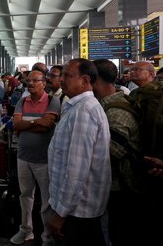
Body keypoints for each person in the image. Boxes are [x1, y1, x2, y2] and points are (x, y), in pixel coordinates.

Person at [46, 58, 111, 246]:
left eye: (67, 75)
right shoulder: (76, 107)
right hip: (74, 208)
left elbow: (77, 169)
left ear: (84, 80)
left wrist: (61, 213)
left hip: (78, 211)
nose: (62, 79)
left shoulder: (84, 111)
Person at [92, 59, 141, 246]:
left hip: (120, 187)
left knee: (114, 233)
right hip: (113, 185)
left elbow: (113, 152)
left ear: (95, 80)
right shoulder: (106, 105)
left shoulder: (116, 112)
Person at [10, 71, 60, 246]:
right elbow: (16, 124)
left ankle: (47, 236)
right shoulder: (22, 101)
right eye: (28, 80)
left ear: (43, 83)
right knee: (25, 195)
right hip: (23, 156)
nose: (30, 83)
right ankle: (26, 231)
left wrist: (26, 124)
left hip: (44, 159)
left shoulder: (53, 101)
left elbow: (47, 125)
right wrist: (35, 122)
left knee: (47, 200)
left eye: (35, 80)